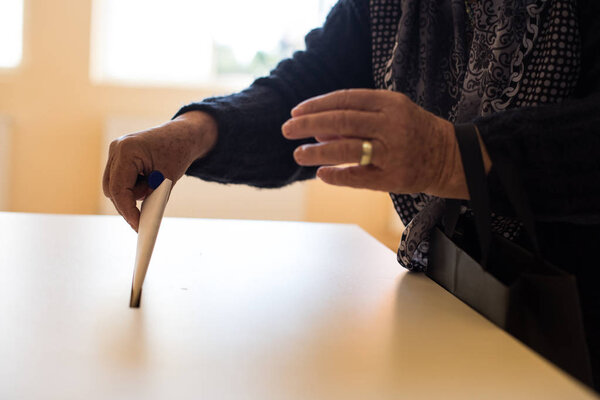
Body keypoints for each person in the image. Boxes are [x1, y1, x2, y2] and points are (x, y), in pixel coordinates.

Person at [103, 0, 600, 389]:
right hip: (461, 302)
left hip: (572, 323)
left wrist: (456, 157)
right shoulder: (391, 6)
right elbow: (304, 98)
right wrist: (194, 131)